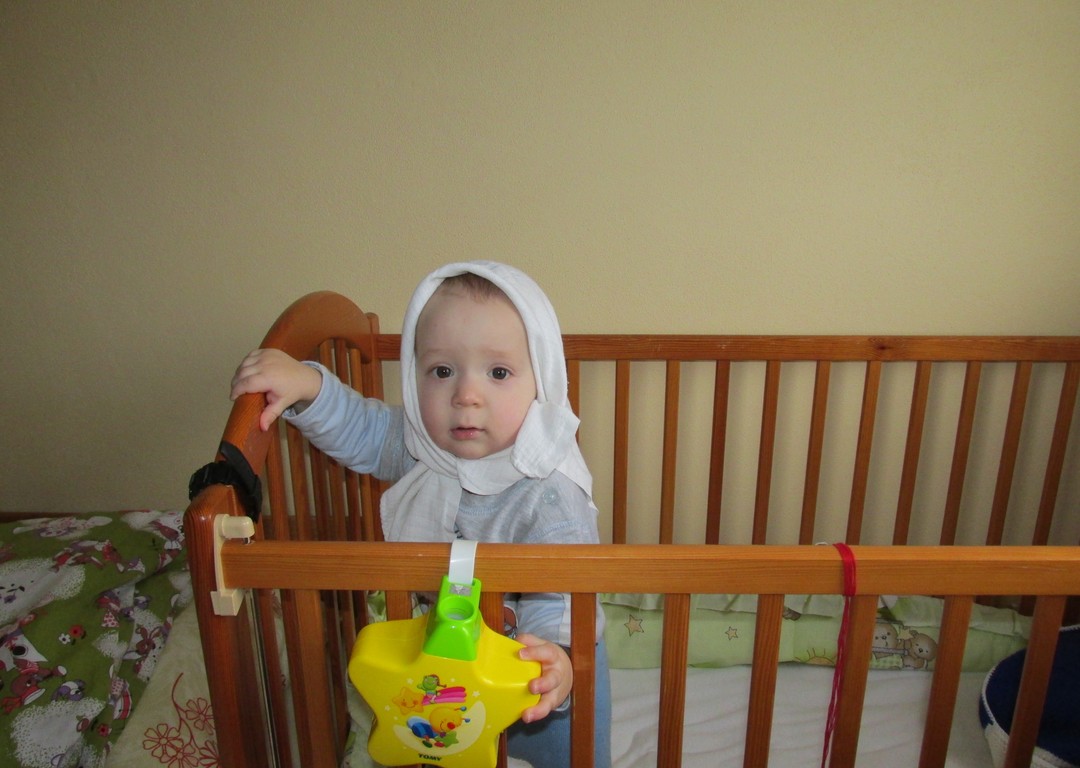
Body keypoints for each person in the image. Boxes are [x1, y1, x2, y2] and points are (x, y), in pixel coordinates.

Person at [230, 261, 611, 768]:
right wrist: (308, 386)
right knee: (447, 746)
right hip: (451, 658)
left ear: (541, 380)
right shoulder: (422, 447)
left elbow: (562, 593)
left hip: (541, 669)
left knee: (566, 756)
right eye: (442, 371)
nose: (466, 395)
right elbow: (362, 427)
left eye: (498, 373)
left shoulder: (548, 489)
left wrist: (556, 659)